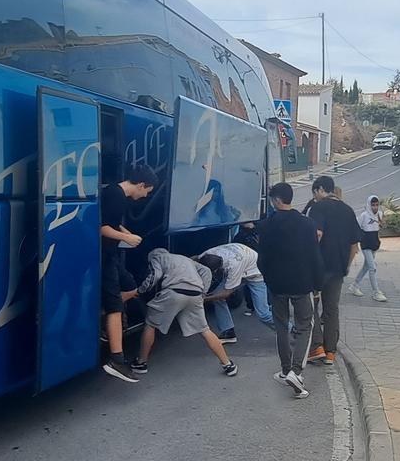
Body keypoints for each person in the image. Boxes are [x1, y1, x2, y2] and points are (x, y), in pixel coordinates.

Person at [258, 182, 324, 399]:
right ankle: (296, 371)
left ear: (277, 200)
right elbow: (314, 256)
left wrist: (269, 278)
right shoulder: (307, 224)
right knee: (305, 325)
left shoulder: (266, 226)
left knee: (281, 327)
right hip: (302, 283)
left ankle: (286, 369)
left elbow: (262, 259)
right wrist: (317, 284)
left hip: (277, 285)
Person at [129, 248, 237, 377]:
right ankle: (228, 364)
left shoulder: (156, 258)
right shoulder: (185, 258)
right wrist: (203, 293)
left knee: (150, 324)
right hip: (195, 294)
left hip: (173, 292)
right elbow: (206, 271)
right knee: (204, 330)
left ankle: (141, 363)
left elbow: (154, 276)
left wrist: (140, 290)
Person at [100, 164, 158, 383]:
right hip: (104, 256)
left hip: (111, 255)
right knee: (115, 305)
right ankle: (116, 359)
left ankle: (106, 321)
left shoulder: (115, 193)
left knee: (132, 287)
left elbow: (110, 223)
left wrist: (127, 233)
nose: (145, 196)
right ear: (141, 185)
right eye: (147, 192)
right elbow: (101, 227)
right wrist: (126, 238)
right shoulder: (116, 196)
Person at [305, 176, 362, 366]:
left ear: (320, 190)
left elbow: (316, 234)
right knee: (331, 309)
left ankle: (317, 347)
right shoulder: (348, 210)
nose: (315, 197)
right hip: (338, 269)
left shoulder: (318, 208)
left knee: (310, 308)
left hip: (318, 269)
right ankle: (330, 352)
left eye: (315, 193)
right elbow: (355, 245)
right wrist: (345, 266)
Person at [198, 242, 273, 330]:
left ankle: (290, 329)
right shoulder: (206, 254)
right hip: (244, 258)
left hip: (255, 274)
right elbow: (194, 260)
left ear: (217, 270)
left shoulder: (233, 265)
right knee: (217, 298)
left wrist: (202, 299)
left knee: (263, 314)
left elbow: (226, 293)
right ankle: (228, 331)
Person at [350, 195, 388, 302]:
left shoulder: (379, 214)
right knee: (372, 267)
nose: (375, 207)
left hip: (374, 244)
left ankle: (355, 285)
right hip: (365, 244)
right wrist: (355, 243)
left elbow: (380, 227)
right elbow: (356, 228)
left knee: (366, 267)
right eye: (373, 205)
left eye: (377, 205)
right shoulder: (364, 216)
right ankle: (376, 292)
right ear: (369, 205)